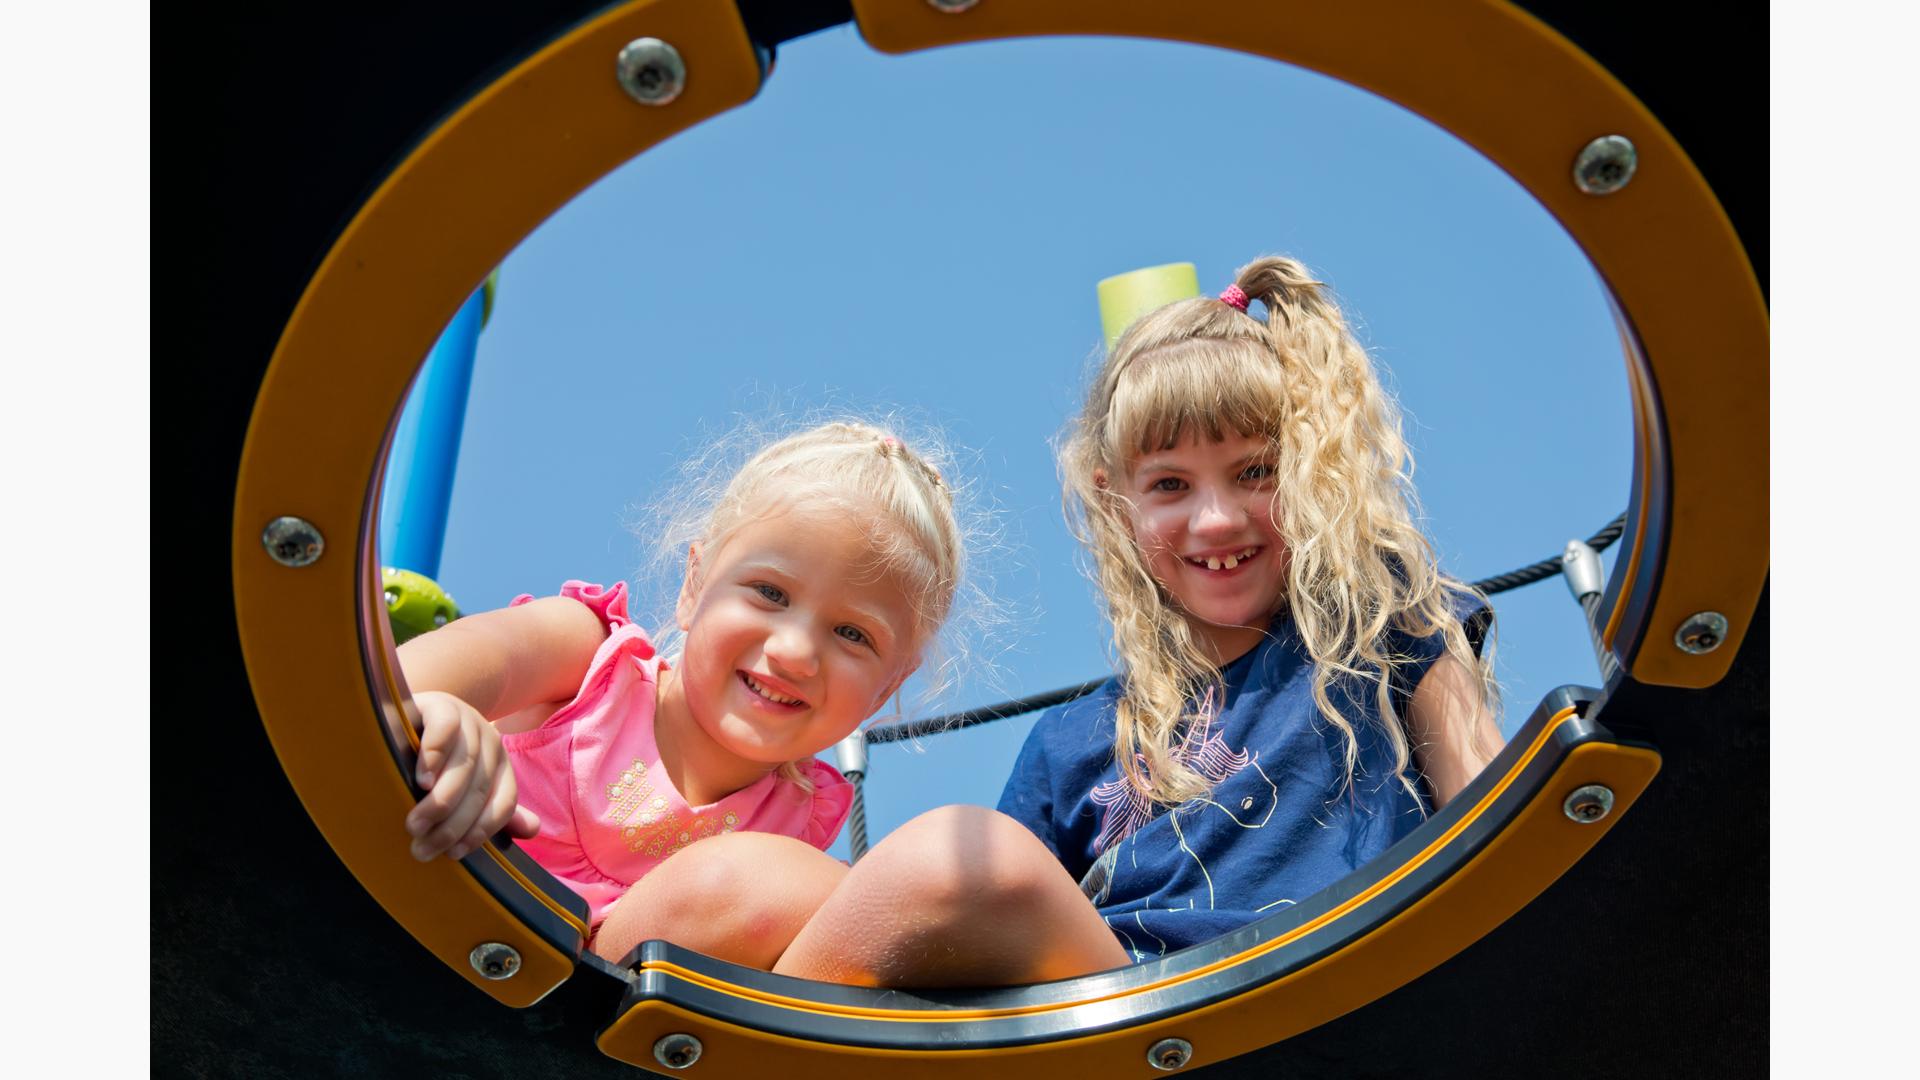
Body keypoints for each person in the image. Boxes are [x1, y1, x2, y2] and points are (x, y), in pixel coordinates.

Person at [765, 256, 1504, 985]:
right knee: (746, 880)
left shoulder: (1380, 626)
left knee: (948, 858)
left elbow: (1497, 820)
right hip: (1129, 1017)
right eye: (1171, 485)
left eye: (1255, 472)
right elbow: (999, 948)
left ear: (1307, 470)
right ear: (1115, 503)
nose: (1215, 519)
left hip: (1343, 986)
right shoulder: (1071, 744)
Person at [397, 421, 966, 970]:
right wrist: (443, 713)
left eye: (852, 634)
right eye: (769, 592)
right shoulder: (584, 656)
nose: (795, 652)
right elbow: (394, 681)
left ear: (886, 689)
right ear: (694, 585)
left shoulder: (798, 827)